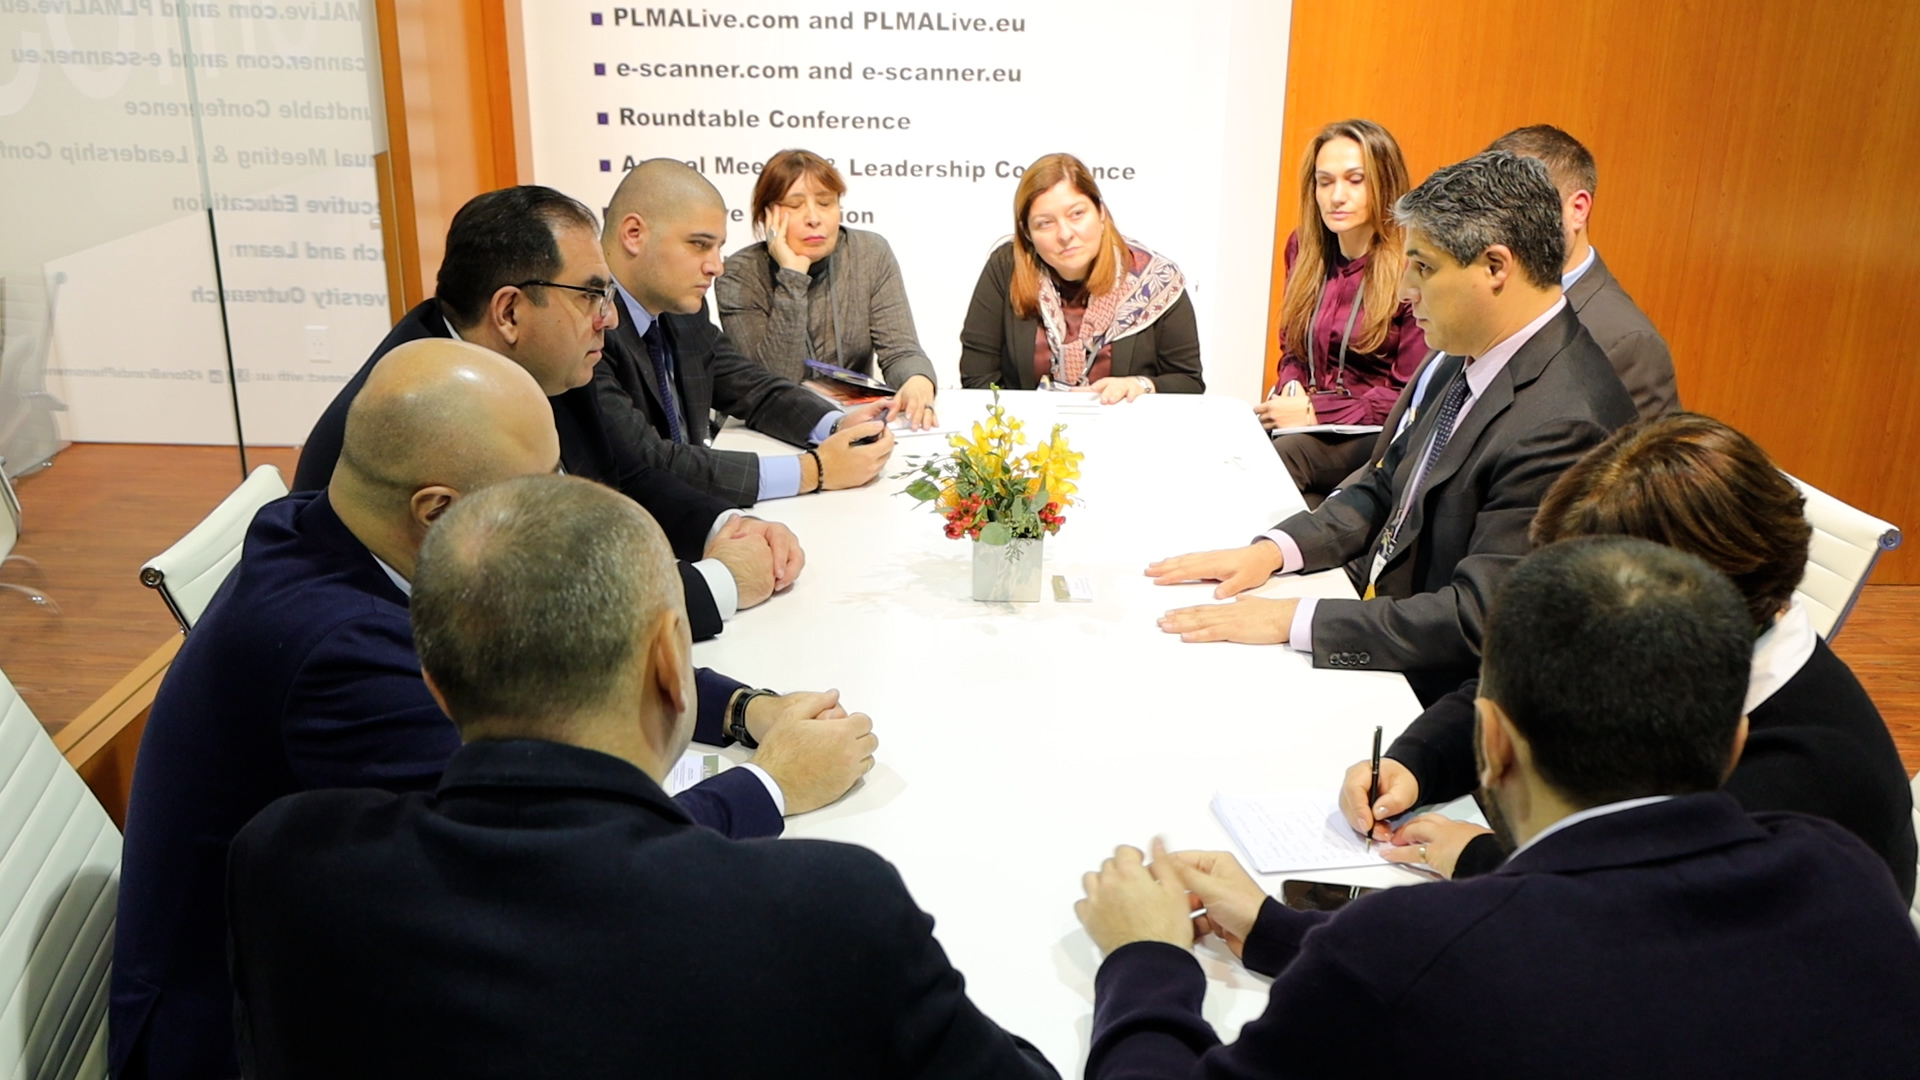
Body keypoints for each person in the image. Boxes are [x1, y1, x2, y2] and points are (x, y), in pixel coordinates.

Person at [110, 341, 877, 1080]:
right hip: (248, 1041)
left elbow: (566, 638)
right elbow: (556, 866)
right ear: (438, 510)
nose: (567, 500)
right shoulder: (342, 658)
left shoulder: (335, 526)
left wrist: (746, 709)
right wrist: (771, 785)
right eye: (542, 484)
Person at [224, 473, 1057, 1078]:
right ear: (671, 662)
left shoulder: (284, 862)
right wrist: (1129, 966)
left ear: (434, 685)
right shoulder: (829, 912)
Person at [1076, 538, 1920, 1078]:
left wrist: (1146, 960)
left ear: (1492, 742)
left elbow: (1438, 972)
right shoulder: (1847, 878)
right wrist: (1273, 928)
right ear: (1735, 742)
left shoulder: (1419, 952)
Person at [1339, 413, 1916, 898]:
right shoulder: (1682, 651)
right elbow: (1529, 686)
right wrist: (1416, 762)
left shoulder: (1799, 784)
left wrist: (1481, 859)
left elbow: (1633, 915)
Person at [1149, 151, 1636, 703]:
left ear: (1495, 267)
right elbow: (1389, 483)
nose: (1405, 289)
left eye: (1423, 267)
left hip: (1454, 698)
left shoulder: (1566, 422)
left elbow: (1478, 617)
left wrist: (1297, 620)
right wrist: (1275, 551)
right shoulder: (1473, 348)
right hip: (1387, 623)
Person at [292, 184, 795, 639]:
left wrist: (726, 526)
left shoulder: (542, 359)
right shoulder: (425, 417)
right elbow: (531, 616)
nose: (609, 318)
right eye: (591, 295)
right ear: (509, 312)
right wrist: (721, 582)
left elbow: (627, 475)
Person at [1363, 125, 1678, 469]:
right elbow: (1405, 459)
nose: (1495, 219)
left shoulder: (1628, 342)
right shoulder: (1474, 305)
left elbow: (1637, 484)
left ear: (1577, 208)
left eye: (1526, 199)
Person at [597, 158, 897, 509]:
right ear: (634, 234)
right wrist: (814, 470)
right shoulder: (587, 327)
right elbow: (650, 462)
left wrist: (835, 424)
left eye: (719, 247)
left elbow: (753, 389)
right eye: (699, 244)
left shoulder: (682, 313)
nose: (716, 266)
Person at [1260, 120, 1427, 501]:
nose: (1337, 196)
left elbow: (1410, 393)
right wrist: (1291, 386)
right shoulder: (1303, 247)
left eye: (1355, 180)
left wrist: (1317, 411)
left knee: (1285, 456)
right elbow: (1293, 350)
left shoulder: (1413, 263)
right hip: (1305, 424)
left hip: (1378, 431)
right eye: (1325, 182)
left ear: (1384, 183)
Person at [717, 149, 939, 429]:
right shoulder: (740, 274)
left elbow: (901, 351)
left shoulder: (869, 253)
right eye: (794, 205)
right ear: (766, 216)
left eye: (825, 203)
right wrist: (792, 276)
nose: (814, 218)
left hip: (853, 422)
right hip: (767, 430)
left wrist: (918, 381)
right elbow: (769, 390)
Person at [959, 152, 1203, 401]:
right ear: (1027, 233)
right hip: (1024, 426)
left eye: (1076, 214)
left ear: (1100, 211)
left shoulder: (1155, 280)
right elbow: (978, 379)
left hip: (1126, 425)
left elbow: (1190, 383)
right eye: (1045, 223)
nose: (1065, 234)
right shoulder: (1006, 268)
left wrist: (1140, 385)